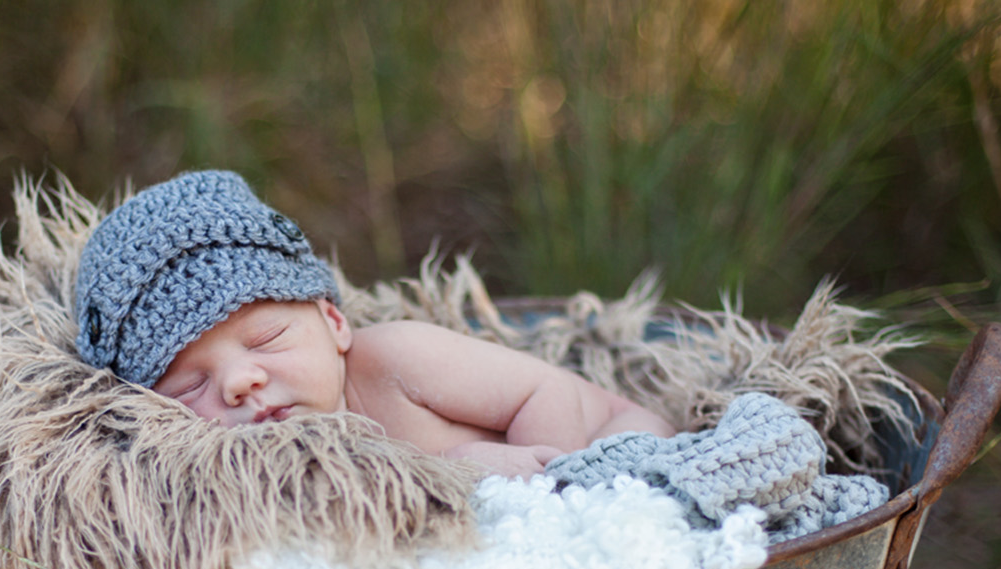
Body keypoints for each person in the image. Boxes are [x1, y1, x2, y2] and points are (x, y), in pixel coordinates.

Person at [74, 170, 675, 477]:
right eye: (188, 387)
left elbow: (545, 390)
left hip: (610, 441)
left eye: (266, 338)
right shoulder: (247, 478)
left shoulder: (394, 361)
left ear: (334, 323)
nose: (239, 384)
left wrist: (560, 489)